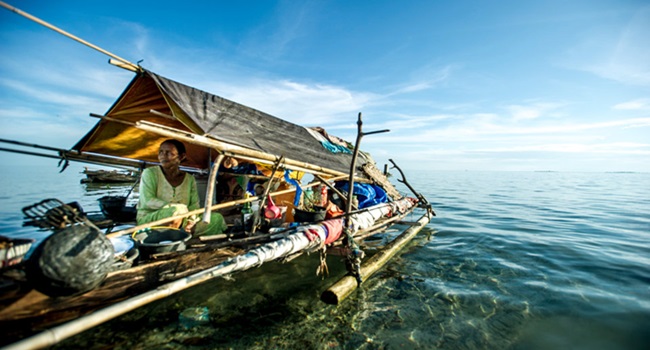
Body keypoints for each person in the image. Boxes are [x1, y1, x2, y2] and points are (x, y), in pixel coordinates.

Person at [137, 139, 227, 236]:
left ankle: (184, 233)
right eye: (161, 152)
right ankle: (173, 238)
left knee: (216, 218)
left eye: (169, 153)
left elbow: (194, 206)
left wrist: (191, 221)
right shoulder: (150, 173)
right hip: (152, 218)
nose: (163, 156)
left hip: (182, 219)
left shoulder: (189, 179)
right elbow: (148, 200)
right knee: (175, 212)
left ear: (181, 156)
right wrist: (176, 208)